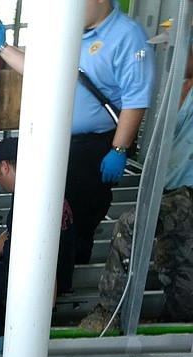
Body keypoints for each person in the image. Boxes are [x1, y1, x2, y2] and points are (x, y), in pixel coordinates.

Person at [0, 0, 154, 264]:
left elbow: (135, 100)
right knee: (47, 215)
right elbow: (42, 71)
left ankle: (67, 282)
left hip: (92, 150)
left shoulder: (127, 36)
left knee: (77, 218)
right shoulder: (70, 31)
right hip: (56, 142)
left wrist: (118, 149)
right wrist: (2, 48)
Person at [79, 39, 193, 333]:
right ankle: (173, 330)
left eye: (178, 49)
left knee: (130, 223)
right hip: (171, 189)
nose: (170, 56)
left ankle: (107, 310)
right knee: (177, 267)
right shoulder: (178, 87)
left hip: (190, 194)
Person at [0, 138, 76, 354]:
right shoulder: (40, 186)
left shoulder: (28, 201)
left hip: (37, 281)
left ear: (6, 167)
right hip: (44, 267)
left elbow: (38, 258)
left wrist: (48, 306)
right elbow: (12, 236)